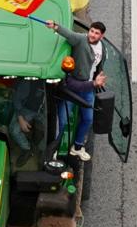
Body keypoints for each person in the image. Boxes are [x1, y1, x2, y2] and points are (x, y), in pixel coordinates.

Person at [45, 20, 107, 161]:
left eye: (96, 33)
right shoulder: (80, 40)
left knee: (88, 119)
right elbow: (68, 33)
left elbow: (98, 65)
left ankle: (77, 147)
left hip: (88, 88)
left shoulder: (101, 47)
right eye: (91, 31)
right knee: (62, 121)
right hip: (73, 88)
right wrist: (55, 26)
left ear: (101, 36)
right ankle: (53, 149)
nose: (92, 34)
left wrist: (99, 76)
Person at [9, 79, 45, 166]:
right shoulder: (28, 82)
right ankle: (27, 149)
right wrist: (20, 118)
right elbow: (16, 99)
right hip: (28, 109)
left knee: (54, 130)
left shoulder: (54, 79)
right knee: (14, 130)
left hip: (46, 110)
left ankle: (42, 151)